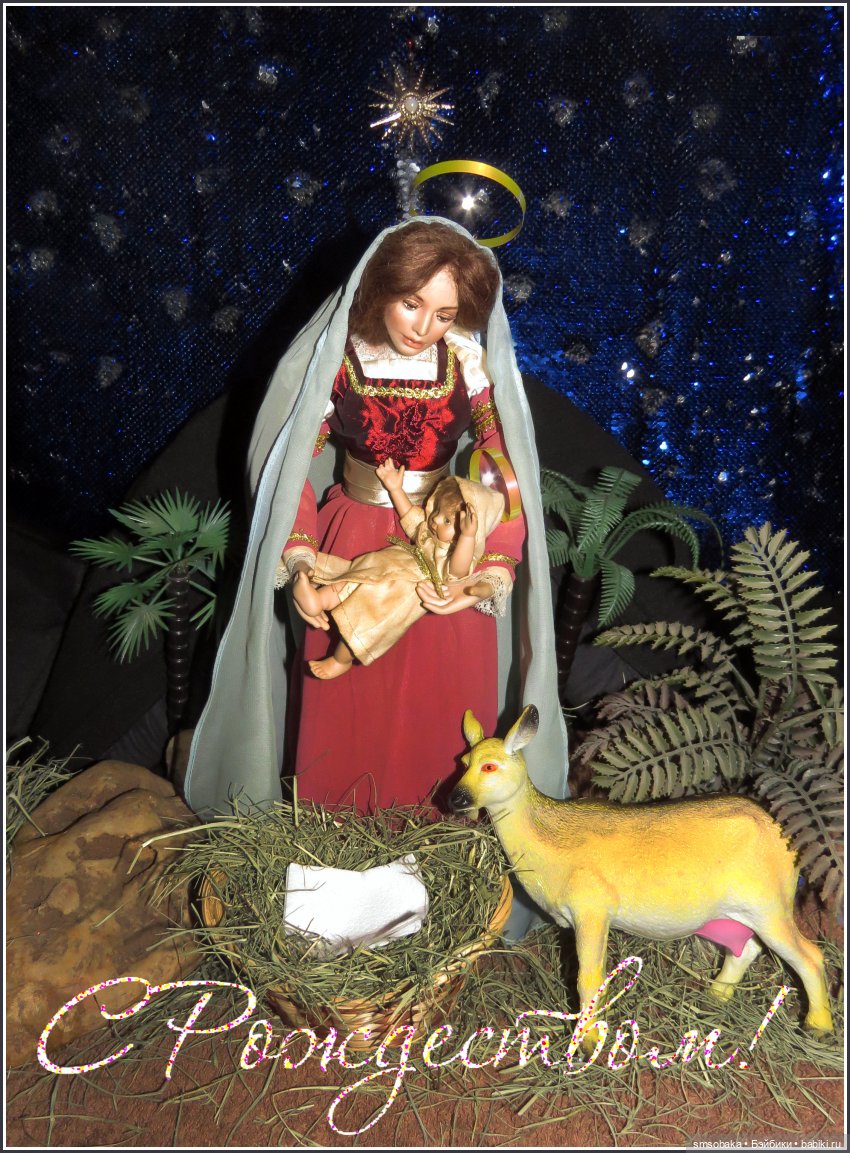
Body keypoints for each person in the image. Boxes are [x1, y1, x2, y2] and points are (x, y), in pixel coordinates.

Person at [184, 216, 569, 941]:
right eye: (411, 304)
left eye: (444, 313)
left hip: (441, 553)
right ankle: (333, 890)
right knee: (344, 708)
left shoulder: (465, 365)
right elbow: (292, 463)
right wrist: (300, 556)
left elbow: (503, 469)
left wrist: (488, 564)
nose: (425, 327)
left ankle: (437, 880)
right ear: (379, 292)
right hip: (352, 539)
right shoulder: (340, 363)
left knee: (443, 713)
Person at [298, 465, 506, 679]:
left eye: (447, 521)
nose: (435, 520)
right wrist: (395, 489)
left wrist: (467, 538)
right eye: (437, 511)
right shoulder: (428, 533)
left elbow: (457, 571)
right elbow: (410, 516)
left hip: (401, 592)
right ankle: (318, 600)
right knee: (351, 578)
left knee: (365, 622)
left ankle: (341, 659)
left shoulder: (453, 557)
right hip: (389, 563)